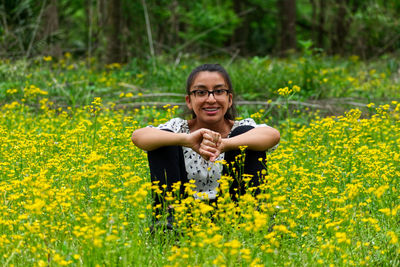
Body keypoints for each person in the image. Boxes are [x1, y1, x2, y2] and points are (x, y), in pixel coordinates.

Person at [131, 64, 280, 226]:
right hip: (184, 211)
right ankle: (168, 220)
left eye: (219, 91)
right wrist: (185, 140)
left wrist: (225, 144)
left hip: (232, 210)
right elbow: (139, 136)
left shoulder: (242, 127)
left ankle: (253, 217)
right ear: (189, 101)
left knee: (245, 136)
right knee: (164, 138)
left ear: (229, 99)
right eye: (201, 92)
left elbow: (272, 135)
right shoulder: (178, 128)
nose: (210, 99)